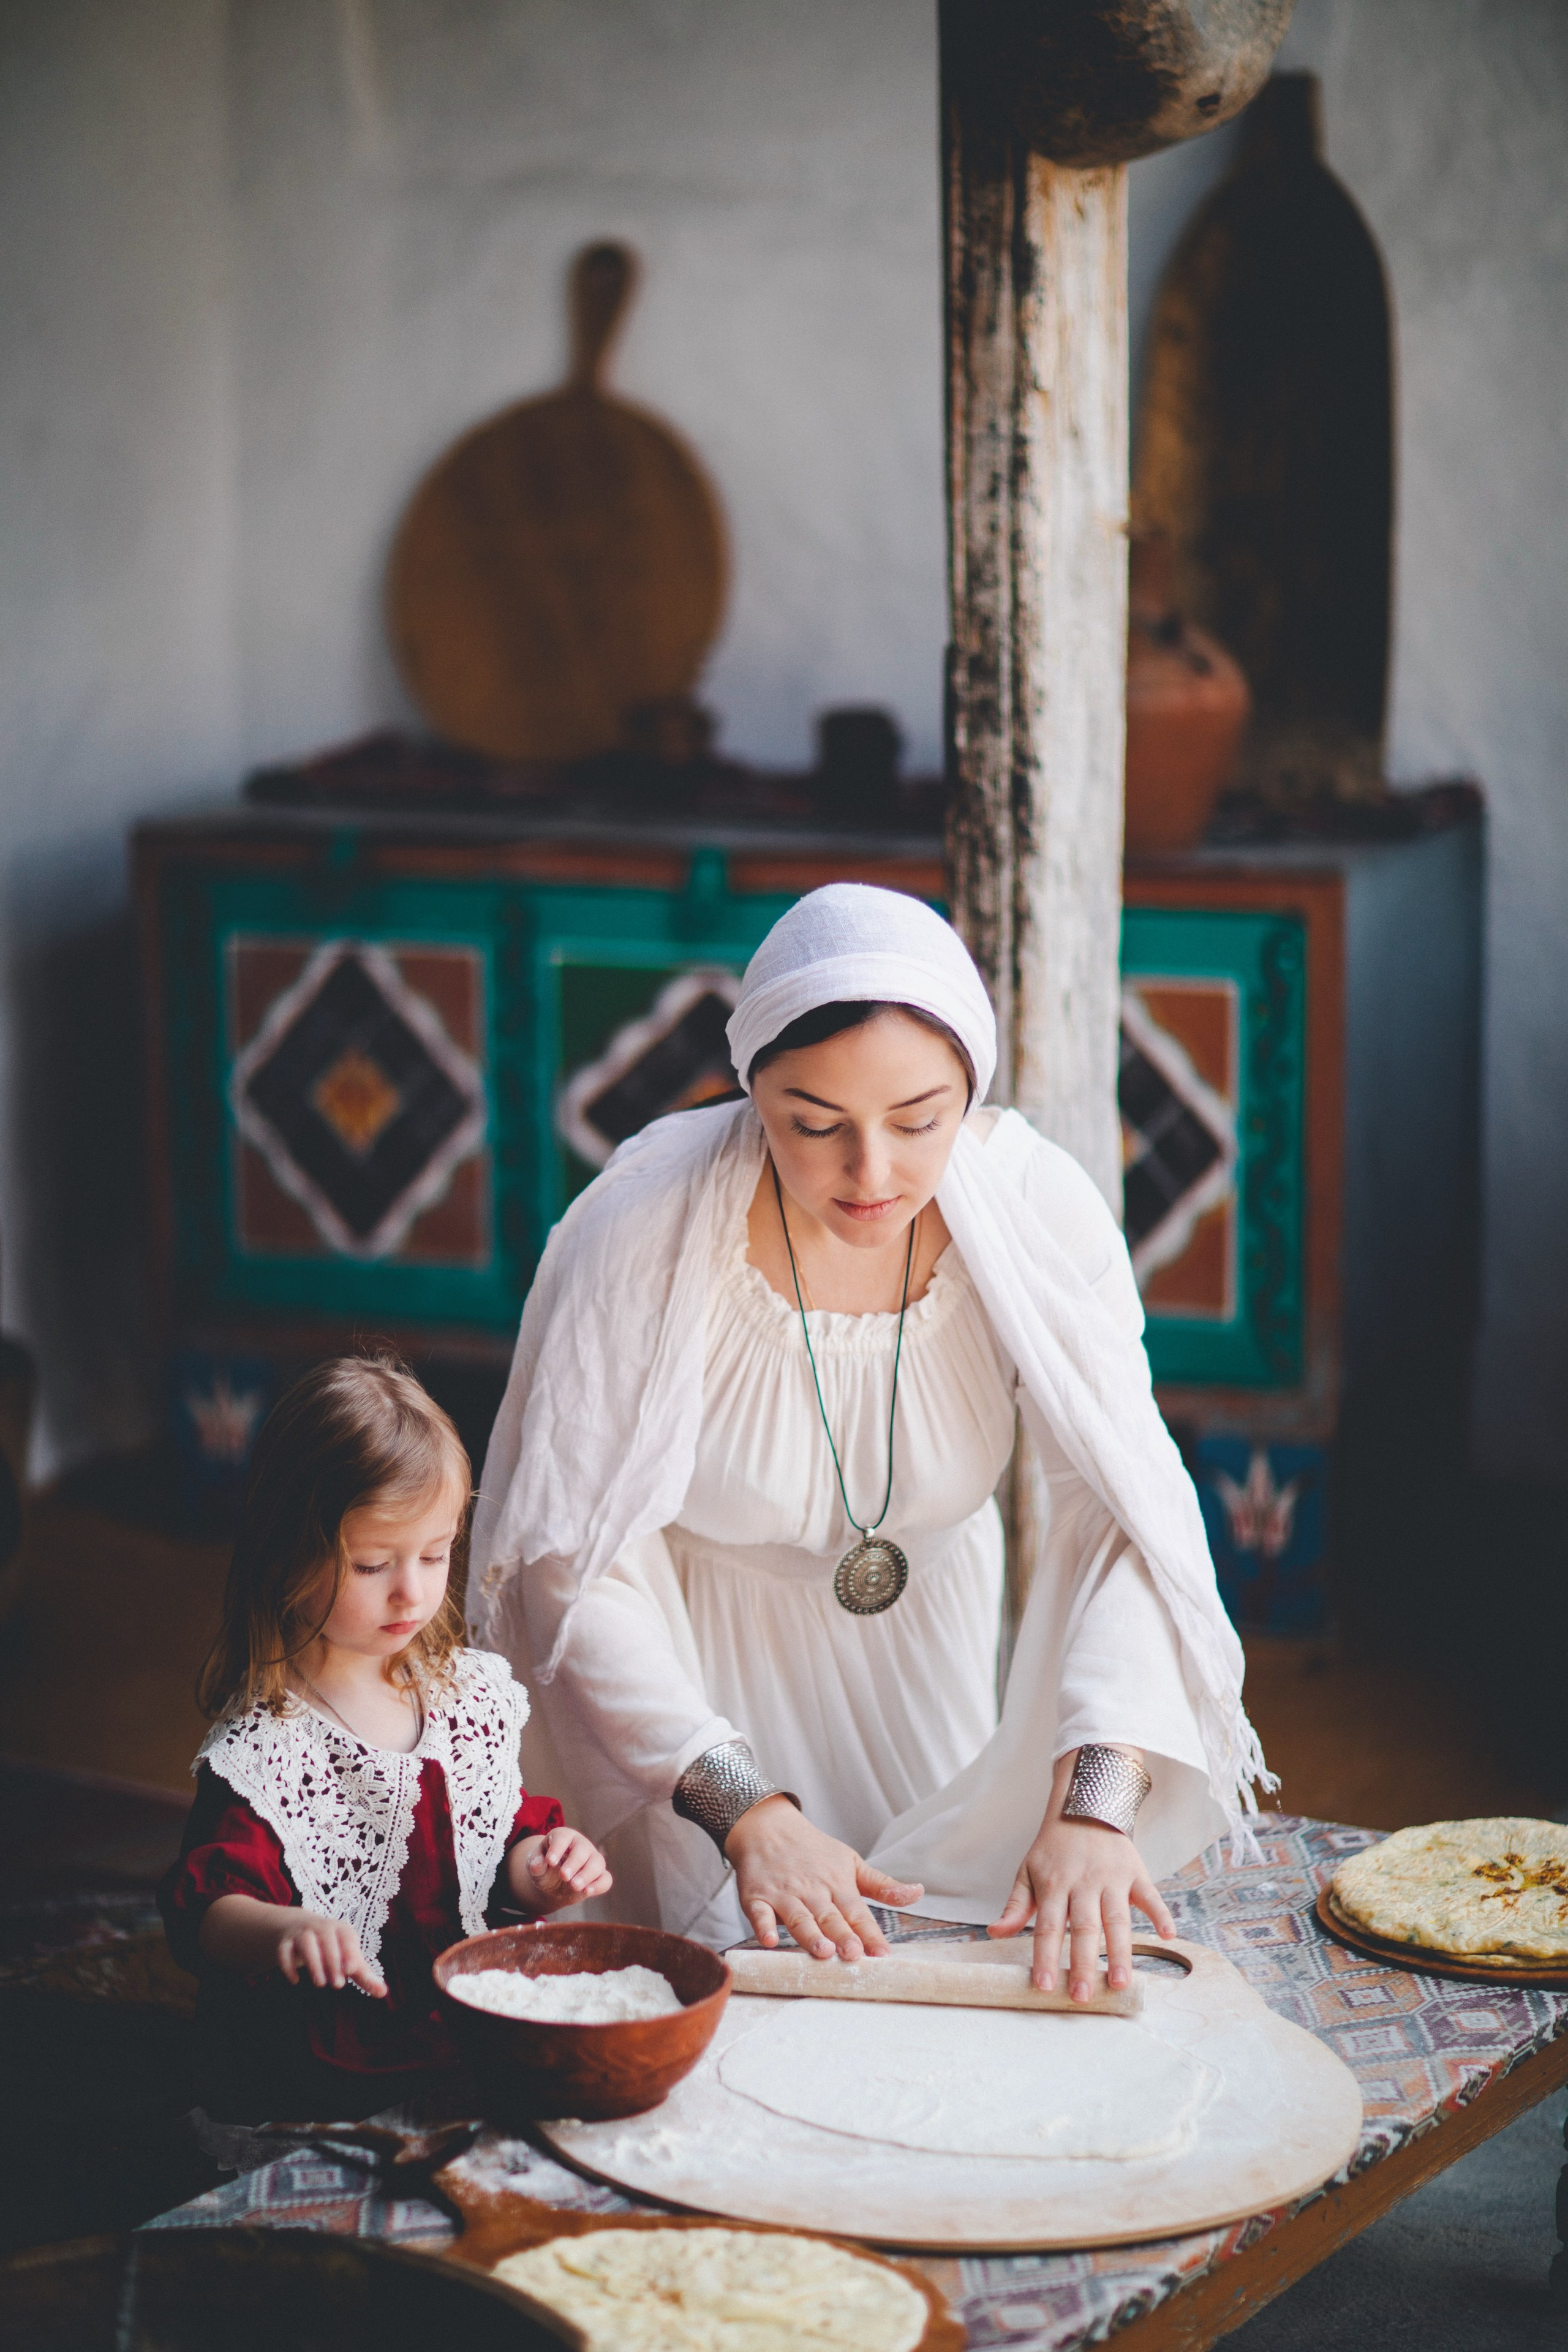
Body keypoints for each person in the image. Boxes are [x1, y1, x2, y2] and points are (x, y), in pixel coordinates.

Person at [472, 885, 1271, 2003]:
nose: (874, 1173)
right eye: (815, 1124)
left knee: (943, 2001)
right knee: (735, 2028)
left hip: (930, 1661)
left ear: (972, 1091)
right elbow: (570, 1558)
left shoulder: (1040, 1212)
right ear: (753, 1089)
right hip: (689, 1697)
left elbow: (1127, 1515)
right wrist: (743, 1808)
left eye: (918, 1119)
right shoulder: (644, 1224)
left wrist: (1094, 1803)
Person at [159, 1356, 610, 2125]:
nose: (412, 1591)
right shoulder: (271, 1746)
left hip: (458, 2019)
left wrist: (542, 1869)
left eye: (434, 1555)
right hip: (326, 2059)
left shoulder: (461, 1695)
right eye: (372, 1564)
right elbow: (206, 1908)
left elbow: (490, 1858)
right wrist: (285, 1931)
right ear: (290, 1554)